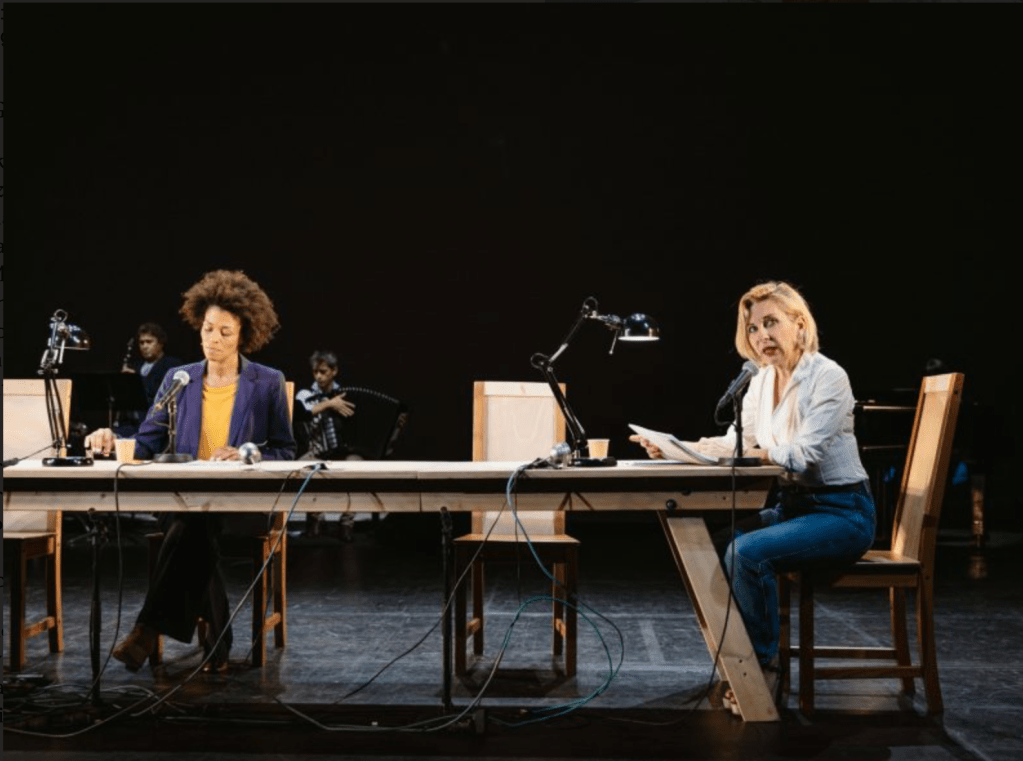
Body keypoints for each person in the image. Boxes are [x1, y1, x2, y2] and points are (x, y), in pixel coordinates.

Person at [630, 281, 875, 710]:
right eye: (753, 328)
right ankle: (736, 660)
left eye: (771, 323)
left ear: (800, 325)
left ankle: (761, 671)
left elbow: (803, 454)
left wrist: (756, 453)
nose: (761, 336)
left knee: (746, 553)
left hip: (843, 512)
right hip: (793, 508)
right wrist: (678, 448)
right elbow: (736, 442)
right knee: (711, 548)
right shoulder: (761, 382)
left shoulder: (828, 376)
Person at [86, 270, 296, 674]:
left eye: (225, 332)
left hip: (244, 504)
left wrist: (248, 455)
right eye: (207, 329)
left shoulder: (267, 382)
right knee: (194, 522)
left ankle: (149, 630)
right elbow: (146, 440)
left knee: (193, 526)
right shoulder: (178, 378)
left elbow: (287, 450)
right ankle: (212, 637)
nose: (213, 339)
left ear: (244, 334)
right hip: (183, 500)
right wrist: (112, 438)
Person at [294, 350, 356, 538]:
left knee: (358, 467)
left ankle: (347, 523)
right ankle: (315, 519)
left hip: (343, 452)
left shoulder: (346, 395)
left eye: (323, 372)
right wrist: (329, 404)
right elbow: (302, 412)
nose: (319, 376)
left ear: (334, 371)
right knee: (299, 470)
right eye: (315, 372)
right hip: (317, 451)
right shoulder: (306, 394)